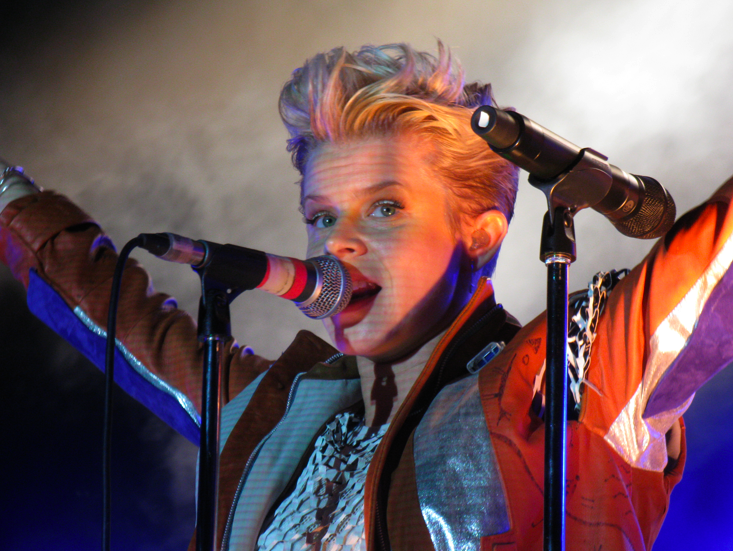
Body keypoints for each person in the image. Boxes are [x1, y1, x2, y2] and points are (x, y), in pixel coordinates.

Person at [1, 41, 733, 551]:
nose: (338, 243)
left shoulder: (557, 377)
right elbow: (107, 307)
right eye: (322, 217)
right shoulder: (275, 412)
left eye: (384, 208)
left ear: (478, 233)